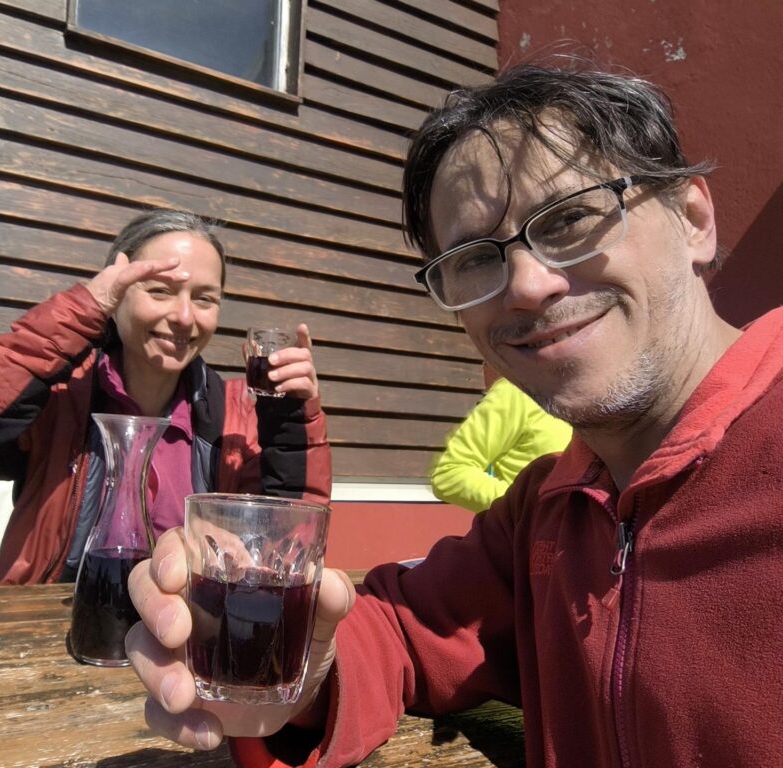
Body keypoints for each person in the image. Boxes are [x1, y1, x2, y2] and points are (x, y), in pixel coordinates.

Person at [123, 60, 783, 767]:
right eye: (475, 257)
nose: (526, 285)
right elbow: (401, 629)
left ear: (693, 218)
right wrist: (304, 675)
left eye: (569, 218)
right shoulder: (548, 507)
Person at [0, 208, 331, 585]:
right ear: (114, 293)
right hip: (46, 627)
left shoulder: (238, 415)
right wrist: (80, 311)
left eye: (205, 299)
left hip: (183, 639)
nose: (183, 317)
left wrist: (291, 420)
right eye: (159, 290)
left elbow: (287, 550)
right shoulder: (61, 393)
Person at [430, 364, 571, 512]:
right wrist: (528, 509)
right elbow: (449, 474)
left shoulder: (592, 403)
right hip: (534, 531)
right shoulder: (519, 393)